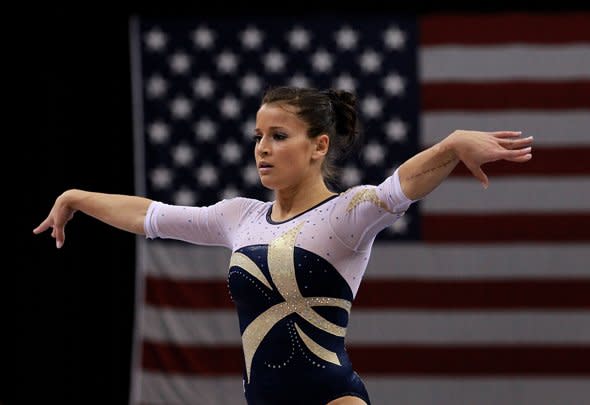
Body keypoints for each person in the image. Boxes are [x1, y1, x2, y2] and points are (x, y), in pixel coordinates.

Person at [33, 86, 533, 405]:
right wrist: (77, 196)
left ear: (319, 146)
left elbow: (399, 187)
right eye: (258, 136)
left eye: (278, 135)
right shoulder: (240, 217)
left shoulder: (346, 215)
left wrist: (449, 146)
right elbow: (151, 217)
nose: (263, 148)